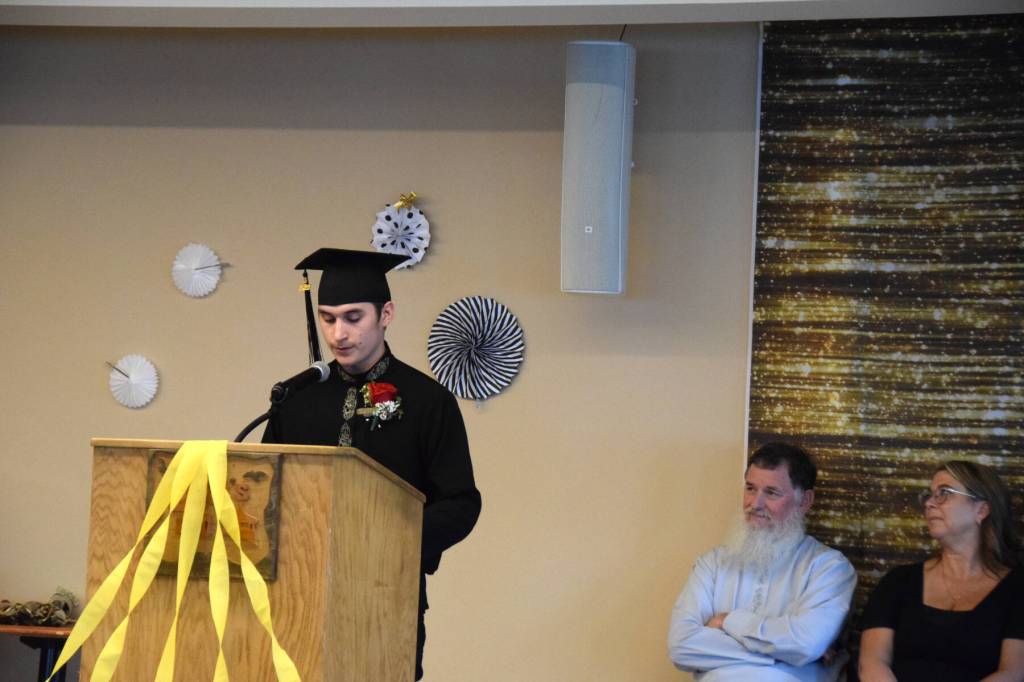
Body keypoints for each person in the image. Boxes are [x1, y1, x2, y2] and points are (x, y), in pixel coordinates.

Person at [262, 248, 482, 681]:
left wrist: (387, 541)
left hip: (387, 596)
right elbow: (271, 487)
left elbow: (460, 503)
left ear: (386, 314)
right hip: (299, 598)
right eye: (327, 318)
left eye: (353, 317)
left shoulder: (427, 401)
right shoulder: (296, 398)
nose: (338, 333)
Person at [668, 442, 856, 681]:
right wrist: (780, 655)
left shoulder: (829, 568)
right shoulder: (713, 563)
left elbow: (804, 645)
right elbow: (681, 646)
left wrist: (727, 621)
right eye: (750, 488)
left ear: (805, 501)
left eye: (771, 492)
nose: (754, 504)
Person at [858, 460, 1024, 682]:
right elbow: (871, 663)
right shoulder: (899, 582)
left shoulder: (1017, 590)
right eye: (930, 494)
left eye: (944, 493)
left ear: (982, 509)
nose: (929, 503)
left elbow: (1013, 673)